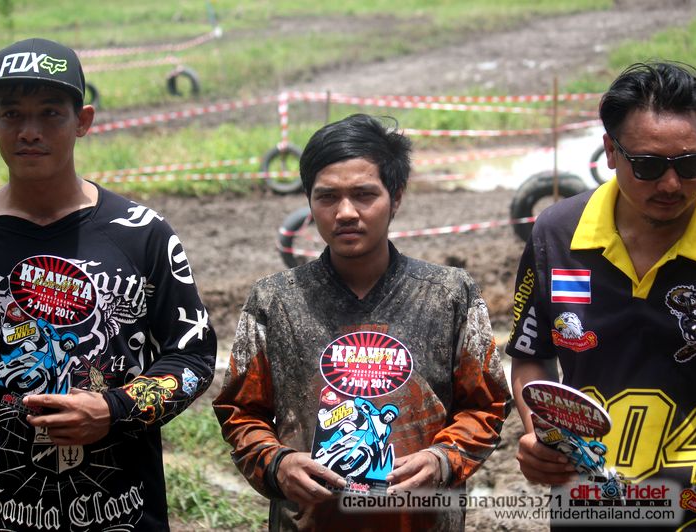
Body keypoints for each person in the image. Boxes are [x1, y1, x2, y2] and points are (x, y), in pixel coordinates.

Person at [0, 38, 217, 531]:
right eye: (13, 114)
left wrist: (115, 408)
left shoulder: (142, 234)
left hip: (121, 514)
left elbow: (193, 357)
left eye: (51, 113)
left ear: (83, 121)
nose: (30, 132)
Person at [213, 113, 511, 531]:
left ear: (396, 197)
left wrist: (441, 459)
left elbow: (486, 405)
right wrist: (277, 463)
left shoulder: (449, 295)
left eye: (364, 194)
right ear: (308, 201)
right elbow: (240, 411)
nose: (346, 212)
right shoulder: (275, 301)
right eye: (327, 197)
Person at [505, 61, 696, 530]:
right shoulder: (556, 235)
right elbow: (531, 357)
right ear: (610, 151)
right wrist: (540, 436)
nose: (671, 184)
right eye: (648, 165)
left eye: (691, 164)